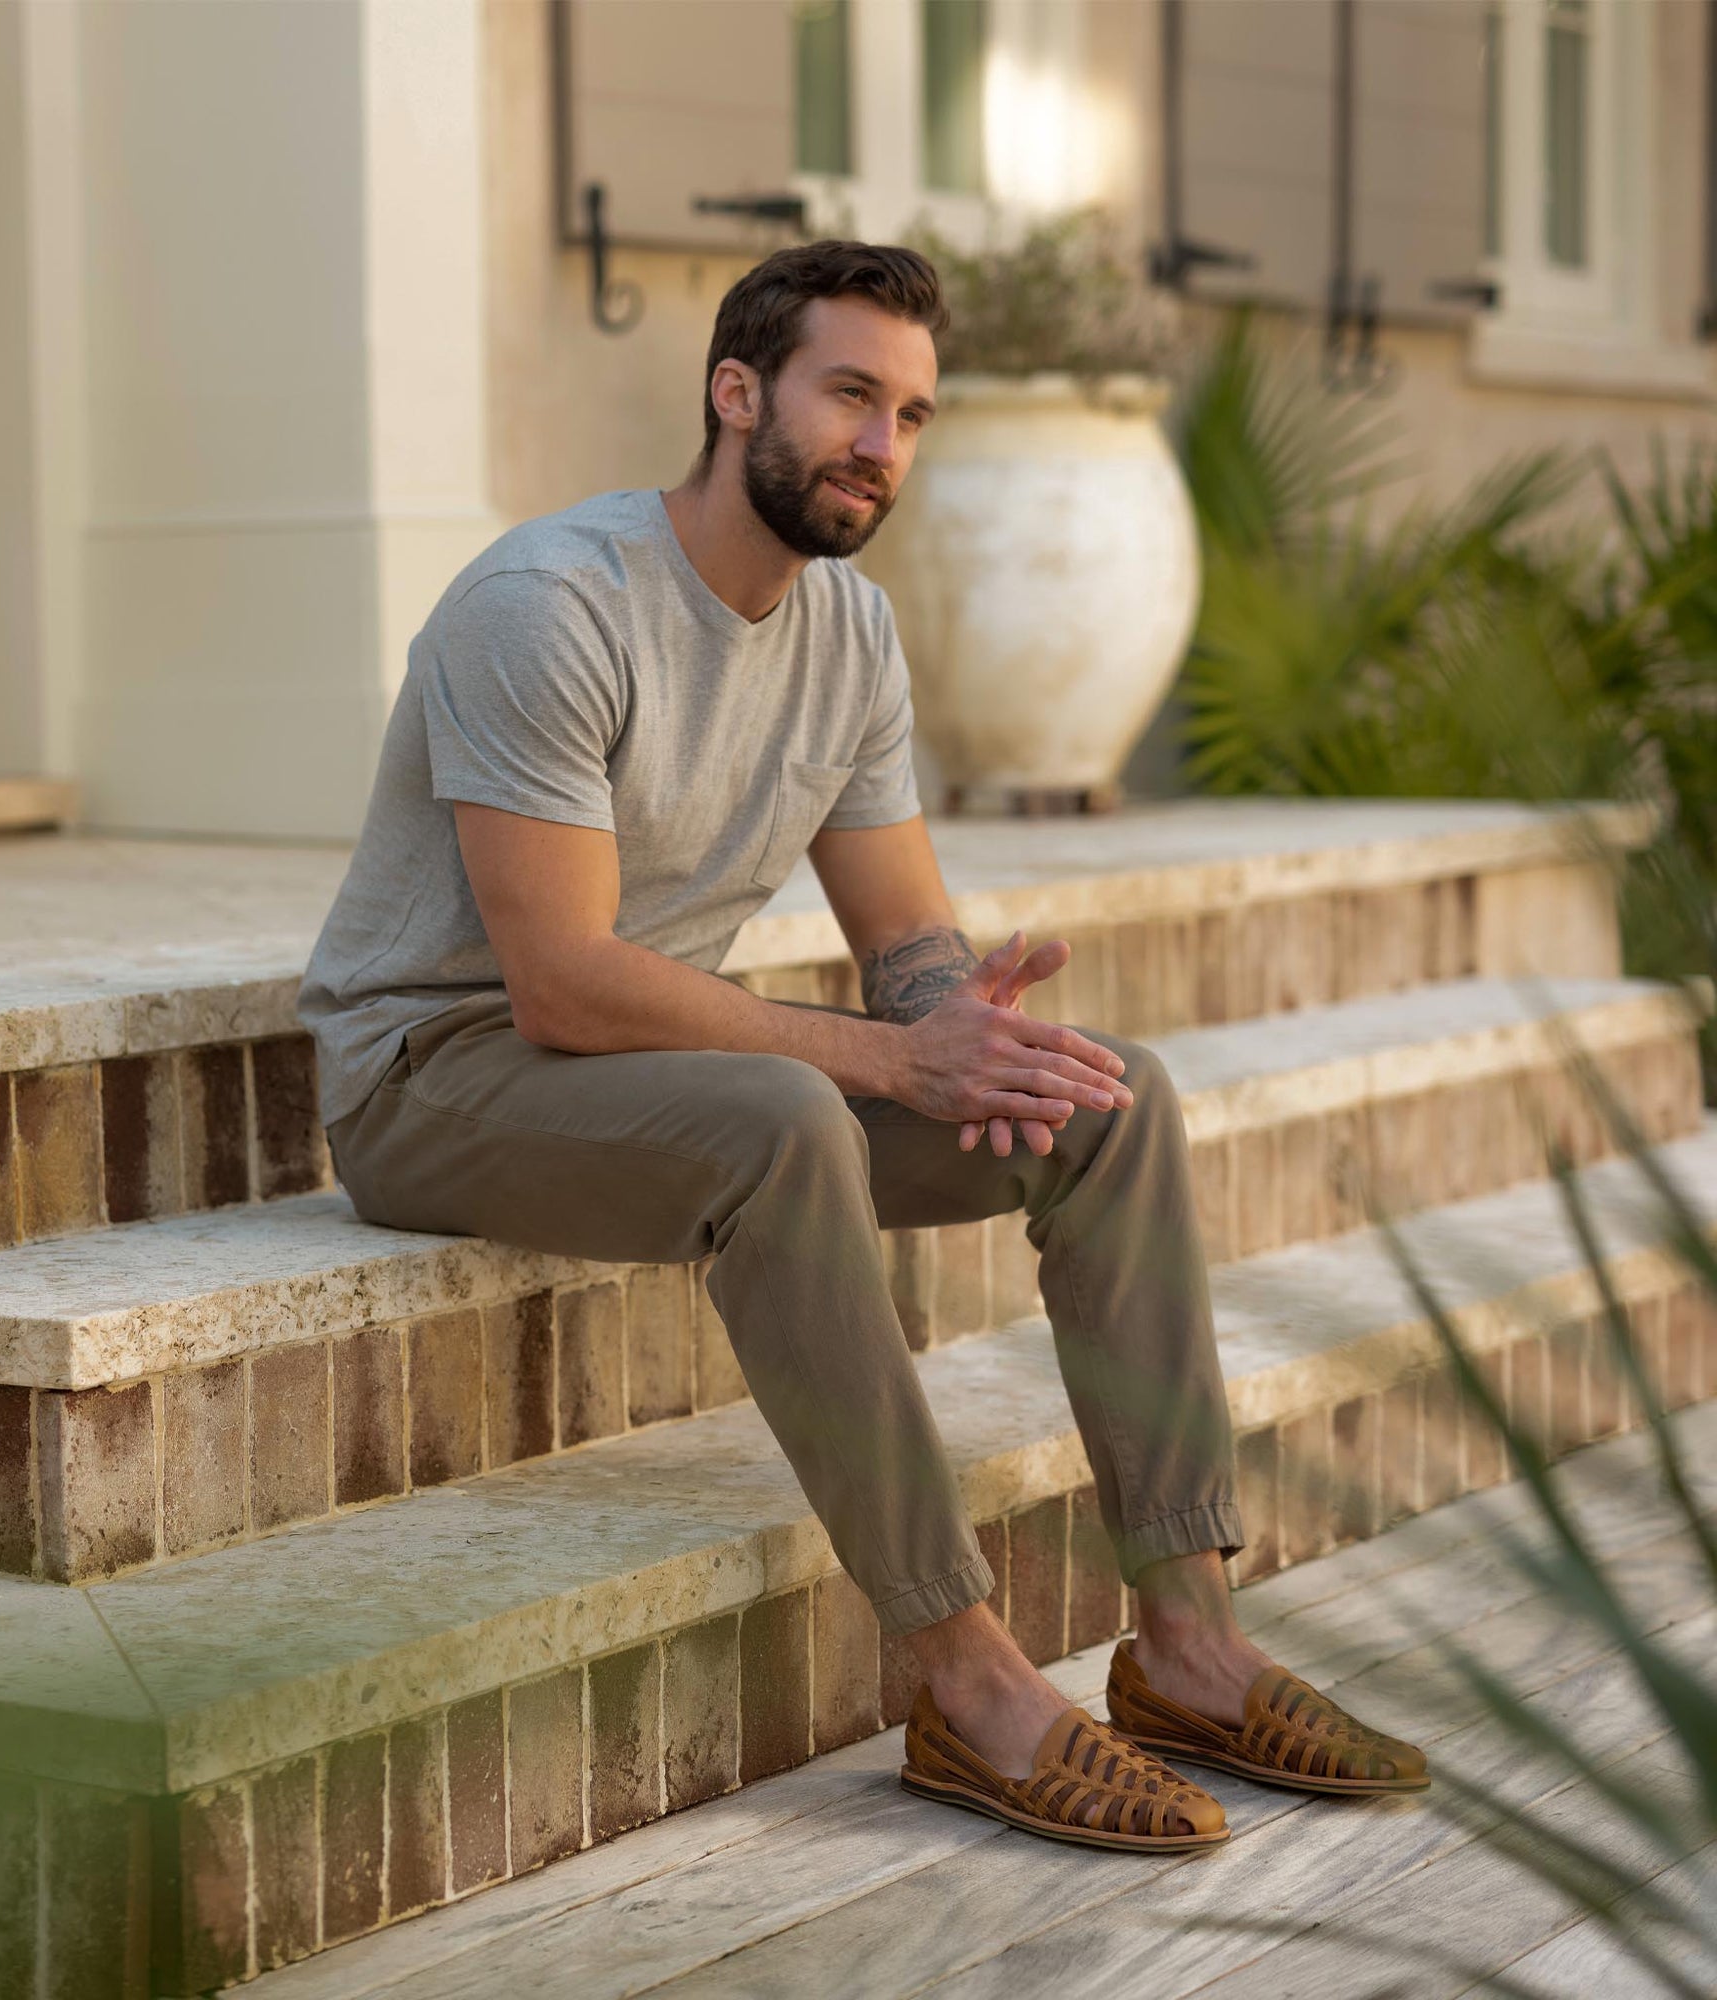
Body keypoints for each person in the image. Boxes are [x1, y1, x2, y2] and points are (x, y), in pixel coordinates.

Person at [301, 240, 1425, 1851]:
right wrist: (891, 1063)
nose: (881, 448)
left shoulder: (850, 636)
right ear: (735, 391)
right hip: (437, 1079)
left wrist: (960, 1026)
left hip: (641, 1079)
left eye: (910, 414)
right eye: (849, 396)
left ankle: (1189, 1642)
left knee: (1115, 1102)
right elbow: (556, 984)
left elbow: (902, 945)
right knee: (784, 1120)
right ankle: (961, 1675)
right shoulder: (547, 607)